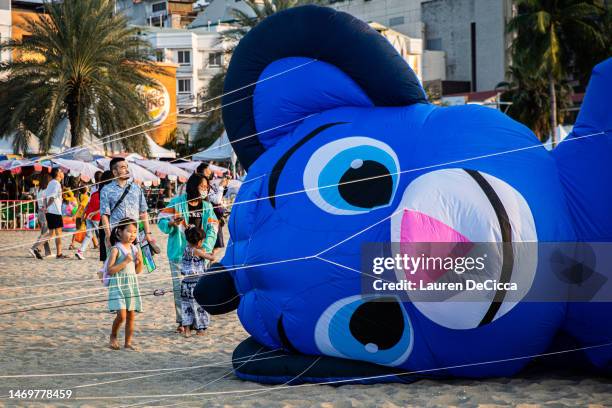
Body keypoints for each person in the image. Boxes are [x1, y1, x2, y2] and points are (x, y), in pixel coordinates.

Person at [158, 173, 218, 333]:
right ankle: (183, 322)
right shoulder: (177, 203)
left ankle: (199, 323)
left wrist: (205, 246)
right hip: (178, 254)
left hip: (199, 257)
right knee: (180, 289)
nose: (205, 190)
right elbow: (161, 220)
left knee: (199, 289)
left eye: (207, 187)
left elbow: (213, 227)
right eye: (202, 187)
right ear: (193, 186)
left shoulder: (207, 207)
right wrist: (170, 223)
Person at [100, 157, 153, 262]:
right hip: (116, 236)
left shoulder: (136, 188)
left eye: (127, 167)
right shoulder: (106, 190)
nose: (127, 170)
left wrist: (147, 234)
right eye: (123, 167)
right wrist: (108, 236)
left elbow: (143, 212)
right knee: (116, 268)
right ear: (115, 172)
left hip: (135, 236)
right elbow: (104, 215)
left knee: (136, 266)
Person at [107, 218, 143, 350]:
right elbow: (110, 271)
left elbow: (138, 271)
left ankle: (128, 342)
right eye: (129, 231)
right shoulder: (116, 249)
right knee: (121, 315)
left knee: (131, 315)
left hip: (131, 284)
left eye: (135, 232)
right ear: (120, 232)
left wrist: (140, 262)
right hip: (118, 284)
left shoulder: (135, 249)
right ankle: (113, 336)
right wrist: (124, 262)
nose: (132, 235)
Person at [180, 226, 215, 337]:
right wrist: (211, 254)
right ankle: (200, 329)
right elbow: (211, 258)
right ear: (199, 241)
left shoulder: (186, 249)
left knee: (187, 307)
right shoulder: (196, 251)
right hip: (196, 284)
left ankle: (187, 330)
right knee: (199, 307)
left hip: (185, 284)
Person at [76, 171, 113, 260]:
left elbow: (89, 202)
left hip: (89, 214)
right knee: (102, 234)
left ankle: (80, 251)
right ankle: (107, 252)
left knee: (89, 235)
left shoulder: (92, 188)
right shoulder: (105, 189)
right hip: (97, 215)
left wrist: (84, 213)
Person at [36, 167, 67, 259]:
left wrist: (45, 207)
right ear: (57, 174)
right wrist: (47, 206)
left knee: (51, 233)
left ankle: (38, 248)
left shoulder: (50, 183)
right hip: (55, 211)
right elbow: (52, 197)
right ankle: (59, 254)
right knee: (58, 233)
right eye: (61, 171)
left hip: (50, 212)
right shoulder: (56, 184)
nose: (63, 173)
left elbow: (45, 197)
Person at [29, 174, 52, 259]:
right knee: (46, 233)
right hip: (44, 212)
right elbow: (45, 202)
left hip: (39, 212)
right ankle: (33, 248)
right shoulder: (45, 190)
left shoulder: (39, 190)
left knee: (44, 232)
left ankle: (47, 252)